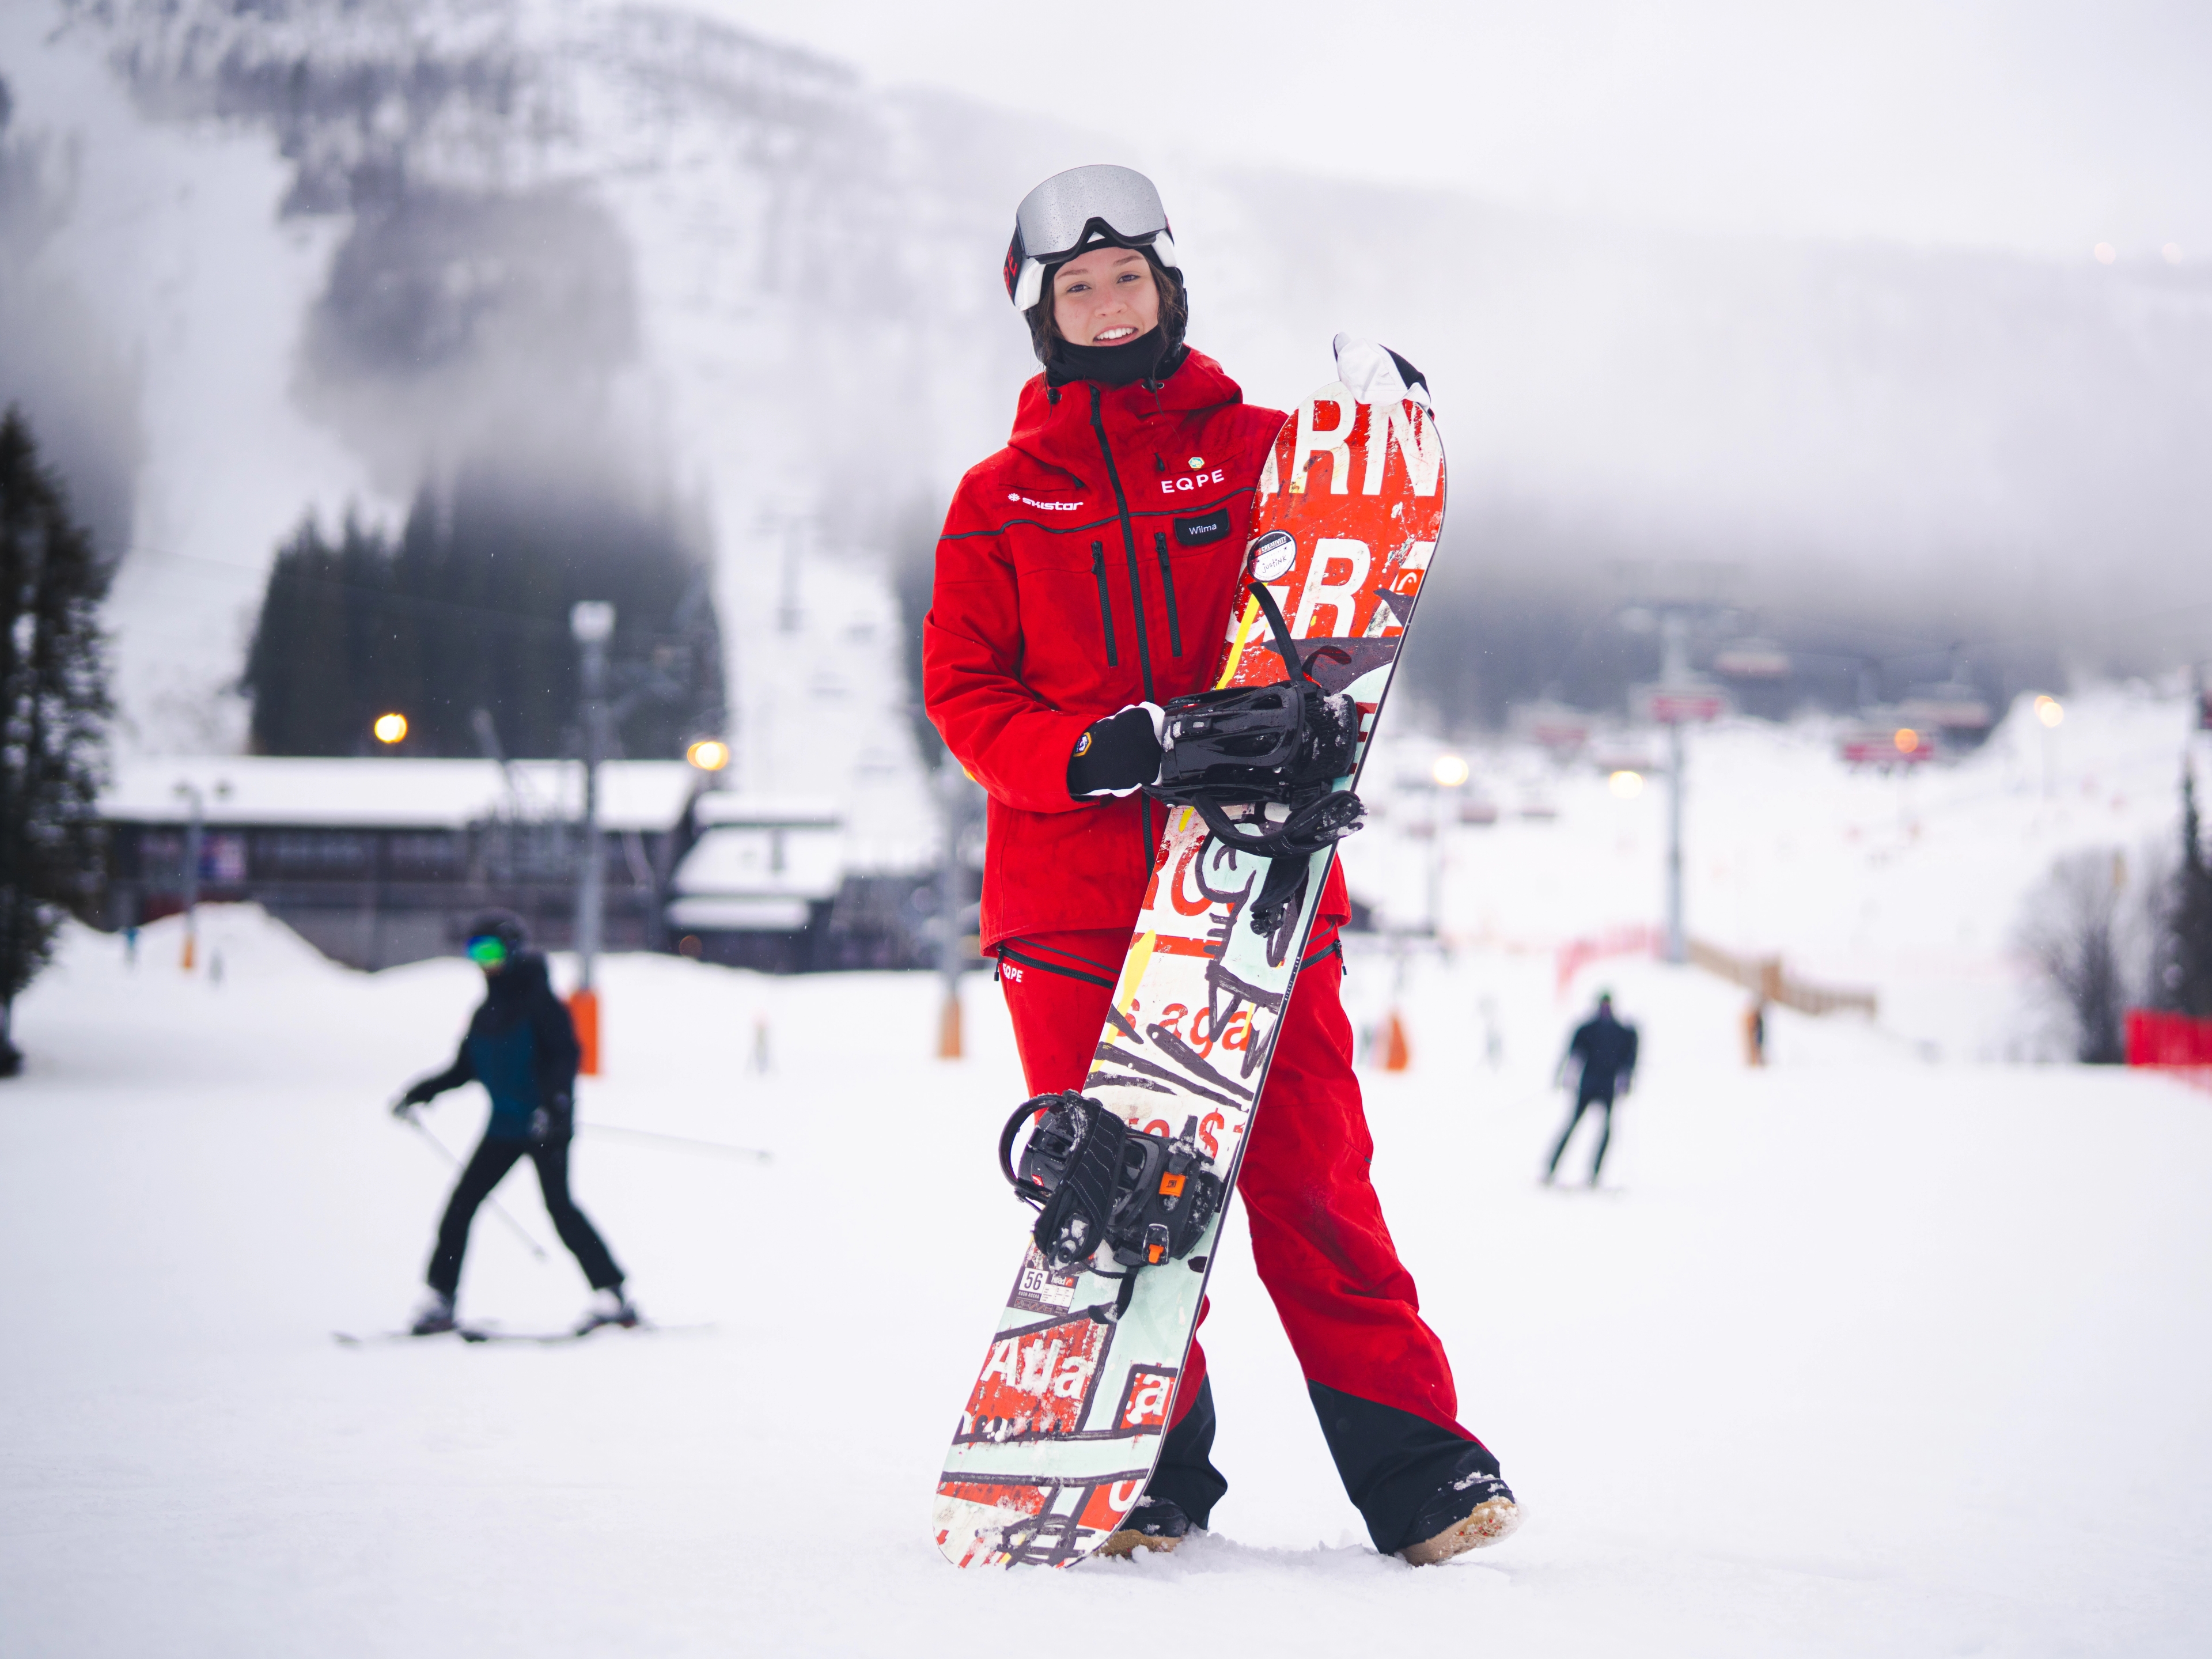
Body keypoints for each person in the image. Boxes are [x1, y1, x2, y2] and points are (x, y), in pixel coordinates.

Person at [924, 164, 1516, 1566]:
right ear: (1040, 311)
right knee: (1122, 1203)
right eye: (1080, 284)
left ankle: (1420, 1472)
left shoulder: (1260, 450)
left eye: (1129, 275)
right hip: (1071, 915)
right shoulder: (997, 500)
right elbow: (965, 698)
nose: (1109, 301)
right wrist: (1103, 751)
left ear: (1169, 284)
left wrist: (1378, 441)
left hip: (1254, 896)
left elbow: (1343, 590)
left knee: (1313, 1187)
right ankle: (1137, 1470)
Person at [393, 911, 635, 1336]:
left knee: (560, 1209)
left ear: (514, 951)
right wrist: (422, 1091)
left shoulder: (542, 1001)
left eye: (491, 951)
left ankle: (613, 1294)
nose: (484, 962)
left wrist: (556, 1107)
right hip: (504, 1128)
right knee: (461, 1206)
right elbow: (465, 1067)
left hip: (546, 1128)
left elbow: (566, 1056)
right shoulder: (485, 1011)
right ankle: (440, 1299)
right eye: (476, 952)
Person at [1546, 991, 1639, 1185]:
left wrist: (1627, 1079)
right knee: (1574, 1126)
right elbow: (1574, 1053)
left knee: (1605, 1130)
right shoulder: (1588, 1029)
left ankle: (1594, 1174)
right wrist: (1566, 1074)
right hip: (1589, 1083)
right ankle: (1552, 1169)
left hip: (1606, 1084)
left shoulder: (1621, 1031)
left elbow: (1629, 1059)